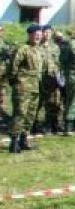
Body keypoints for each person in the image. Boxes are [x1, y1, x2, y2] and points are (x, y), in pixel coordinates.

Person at [8, 25, 44, 153]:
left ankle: (24, 140)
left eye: (40, 34)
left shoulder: (38, 50)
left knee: (30, 115)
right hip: (23, 87)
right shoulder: (23, 49)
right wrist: (16, 82)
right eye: (36, 34)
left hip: (35, 87)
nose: (38, 36)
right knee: (20, 114)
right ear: (29, 35)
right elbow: (13, 67)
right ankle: (14, 142)